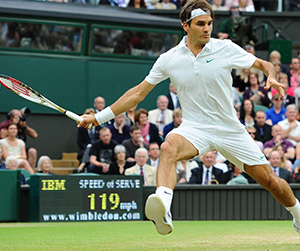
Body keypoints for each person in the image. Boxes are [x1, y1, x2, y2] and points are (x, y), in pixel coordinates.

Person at [78, 0, 300, 236]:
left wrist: (272, 75)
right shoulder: (169, 58)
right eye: (200, 24)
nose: (207, 29)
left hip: (229, 129)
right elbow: (137, 94)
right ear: (186, 26)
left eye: (210, 24)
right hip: (195, 128)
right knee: (169, 146)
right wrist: (99, 117)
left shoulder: (225, 48)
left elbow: (263, 64)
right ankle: (163, 205)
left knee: (271, 182)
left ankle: (297, 214)